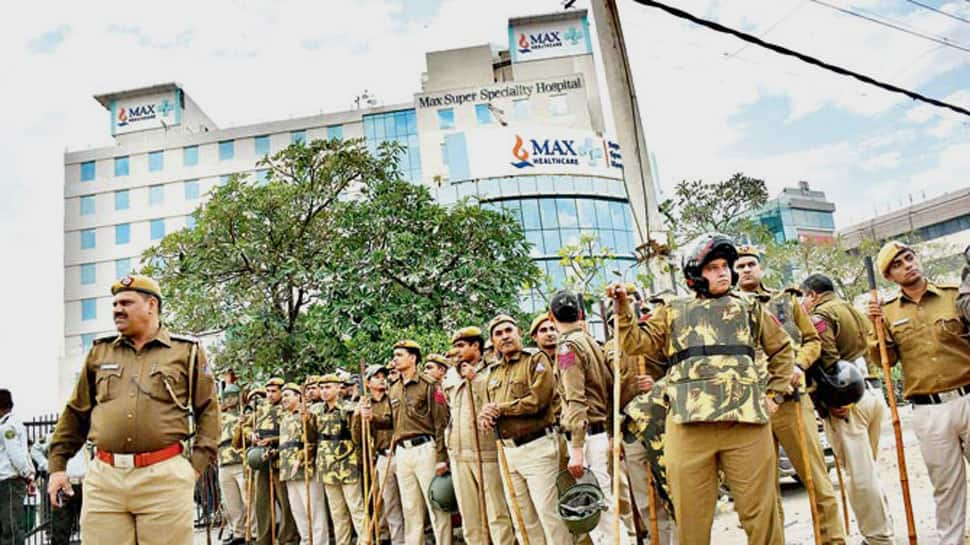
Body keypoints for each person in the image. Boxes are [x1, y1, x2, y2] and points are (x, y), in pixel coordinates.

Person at [608, 234, 794, 545]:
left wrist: (774, 396)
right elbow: (634, 343)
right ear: (695, 274)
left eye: (725, 266)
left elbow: (783, 350)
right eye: (712, 267)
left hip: (746, 425)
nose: (723, 272)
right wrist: (623, 309)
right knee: (691, 521)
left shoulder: (751, 308)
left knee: (761, 516)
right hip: (688, 426)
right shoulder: (672, 310)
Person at [46, 275, 219, 545]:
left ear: (151, 305)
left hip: (164, 477)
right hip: (105, 479)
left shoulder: (186, 351)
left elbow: (208, 410)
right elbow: (76, 412)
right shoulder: (100, 353)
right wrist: (57, 467)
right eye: (114, 303)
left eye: (126, 302)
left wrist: (193, 469)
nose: (117, 309)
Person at [735, 245, 844, 545]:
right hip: (749, 408)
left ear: (760, 268)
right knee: (762, 491)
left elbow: (813, 340)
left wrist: (798, 364)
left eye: (750, 264)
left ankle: (833, 540)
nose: (745, 269)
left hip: (790, 402)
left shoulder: (786, 301)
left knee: (816, 479)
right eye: (739, 265)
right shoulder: (723, 309)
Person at [867, 240, 970, 545]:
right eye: (897, 264)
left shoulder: (955, 295)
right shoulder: (885, 312)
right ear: (890, 277)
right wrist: (875, 328)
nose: (907, 265)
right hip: (928, 410)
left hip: (968, 396)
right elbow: (884, 359)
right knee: (946, 486)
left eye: (909, 258)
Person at [800, 273, 895, 545]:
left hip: (848, 398)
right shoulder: (854, 311)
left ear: (813, 294)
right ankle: (883, 527)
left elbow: (826, 360)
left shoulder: (819, 317)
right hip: (873, 393)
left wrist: (832, 401)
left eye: (804, 297)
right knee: (868, 471)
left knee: (860, 476)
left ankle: (878, 538)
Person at [479, 314, 573, 545]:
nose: (505, 336)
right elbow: (489, 407)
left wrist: (500, 409)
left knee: (548, 513)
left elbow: (538, 400)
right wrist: (485, 416)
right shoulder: (492, 373)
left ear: (518, 332)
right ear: (493, 341)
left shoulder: (535, 359)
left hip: (538, 447)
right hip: (508, 452)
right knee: (522, 516)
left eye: (508, 331)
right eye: (498, 334)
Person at [549, 291, 628, 545]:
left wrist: (576, 448)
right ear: (580, 314)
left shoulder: (567, 347)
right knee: (605, 506)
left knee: (599, 511)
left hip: (587, 437)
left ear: (552, 317)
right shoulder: (590, 341)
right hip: (600, 430)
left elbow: (575, 400)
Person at [363, 340, 452, 545]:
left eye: (400, 354)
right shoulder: (393, 388)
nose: (395, 358)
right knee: (410, 507)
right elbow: (391, 422)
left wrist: (441, 458)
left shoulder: (428, 384)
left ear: (413, 358)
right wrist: (371, 418)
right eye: (394, 354)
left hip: (425, 448)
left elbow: (441, 423)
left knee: (436, 504)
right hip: (402, 452)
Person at [447, 326, 516, 545]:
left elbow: (494, 399)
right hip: (459, 455)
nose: (457, 351)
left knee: (497, 514)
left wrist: (474, 378)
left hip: (485, 453)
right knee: (470, 517)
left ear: (475, 346)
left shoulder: (492, 371)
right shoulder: (452, 375)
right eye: (455, 346)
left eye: (461, 346)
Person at [248, 377, 300, 545]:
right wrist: (251, 435)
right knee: (262, 503)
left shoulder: (287, 409)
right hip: (261, 460)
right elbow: (247, 426)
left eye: (274, 391)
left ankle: (288, 538)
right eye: (268, 391)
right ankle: (264, 540)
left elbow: (291, 433)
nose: (270, 395)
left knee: (285, 503)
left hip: (280, 459)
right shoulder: (261, 408)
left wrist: (272, 440)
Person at [315, 375, 365, 545]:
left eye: (328, 387)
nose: (324, 391)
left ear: (338, 389)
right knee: (337, 512)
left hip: (346, 463)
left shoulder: (349, 409)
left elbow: (358, 437)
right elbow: (311, 436)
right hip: (326, 465)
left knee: (356, 507)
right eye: (321, 388)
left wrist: (359, 416)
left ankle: (365, 540)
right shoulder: (316, 411)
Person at [278, 382, 327, 545]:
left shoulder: (308, 415)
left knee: (314, 512)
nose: (283, 399)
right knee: (298, 512)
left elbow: (313, 440)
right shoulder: (284, 419)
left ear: (298, 396)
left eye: (287, 395)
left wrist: (300, 458)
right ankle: (306, 541)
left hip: (306, 468)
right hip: (288, 471)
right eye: (283, 395)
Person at [365, 364, 404, 545]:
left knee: (410, 503)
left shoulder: (394, 398)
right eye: (376, 376)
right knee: (390, 504)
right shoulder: (365, 404)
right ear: (367, 382)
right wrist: (360, 415)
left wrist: (374, 418)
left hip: (401, 452)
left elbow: (394, 422)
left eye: (383, 375)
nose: (382, 378)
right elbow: (359, 436)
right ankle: (397, 541)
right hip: (381, 457)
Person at [0, 389, 34, 545]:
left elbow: (16, 455)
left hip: (10, 481)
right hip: (9, 481)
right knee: (9, 526)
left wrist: (27, 474)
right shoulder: (10, 424)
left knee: (11, 528)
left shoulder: (7, 426)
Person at [218, 384, 248, 545]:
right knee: (230, 502)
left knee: (247, 500)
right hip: (223, 460)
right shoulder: (219, 417)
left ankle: (253, 532)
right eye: (226, 396)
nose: (229, 400)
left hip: (240, 460)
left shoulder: (246, 414)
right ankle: (238, 533)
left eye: (233, 396)